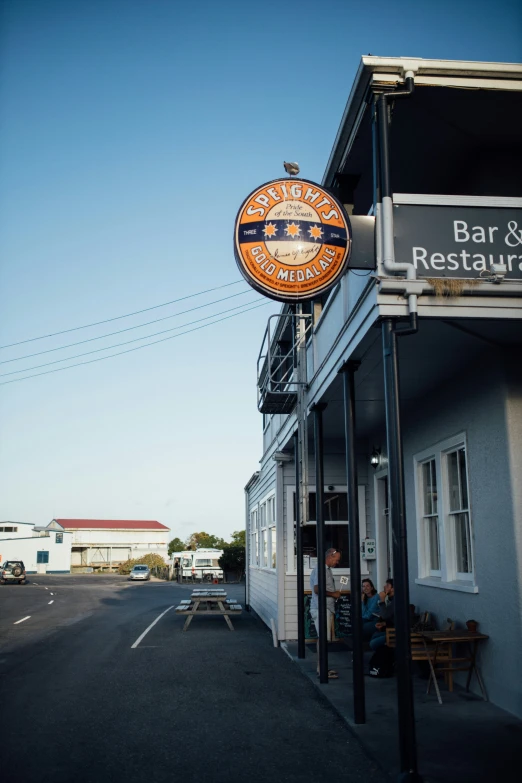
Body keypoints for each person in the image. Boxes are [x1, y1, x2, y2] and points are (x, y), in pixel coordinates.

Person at [310, 548, 341, 678]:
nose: (337, 562)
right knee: (322, 639)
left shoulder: (327, 570)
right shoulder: (321, 569)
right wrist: (333, 594)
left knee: (323, 639)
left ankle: (322, 667)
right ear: (330, 557)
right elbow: (317, 589)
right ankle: (321, 669)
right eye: (336, 559)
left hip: (325, 607)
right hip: (321, 608)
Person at [369, 578, 394, 651]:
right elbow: (392, 617)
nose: (384, 586)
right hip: (391, 628)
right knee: (375, 635)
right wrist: (384, 624)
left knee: (373, 643)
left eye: (387, 585)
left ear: (393, 589)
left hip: (396, 633)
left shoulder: (396, 601)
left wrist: (382, 600)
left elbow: (385, 616)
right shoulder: (391, 599)